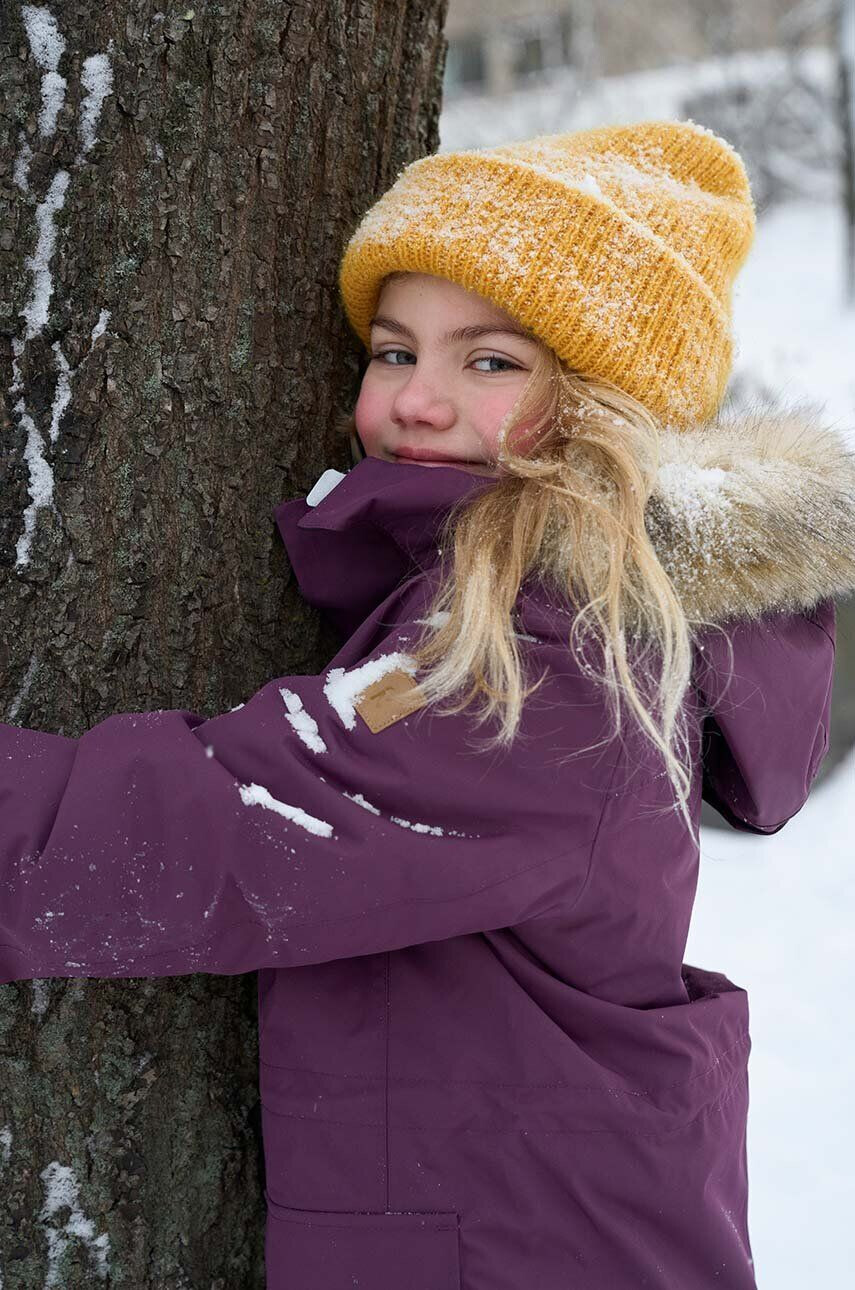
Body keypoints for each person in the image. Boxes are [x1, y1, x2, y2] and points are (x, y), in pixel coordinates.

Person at [2, 120, 854, 1290]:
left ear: (614, 409)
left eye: (492, 362)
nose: (417, 401)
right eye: (394, 351)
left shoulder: (558, 660)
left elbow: (233, 827)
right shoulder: (519, 610)